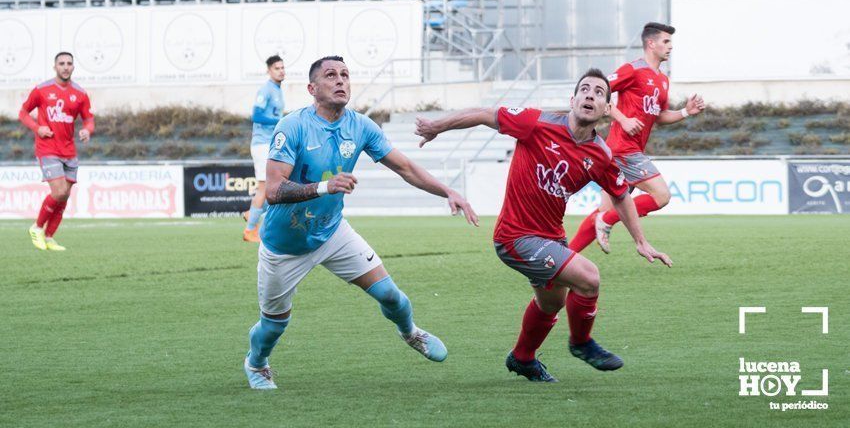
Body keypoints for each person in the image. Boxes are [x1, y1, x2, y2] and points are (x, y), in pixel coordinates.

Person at [414, 68, 671, 382]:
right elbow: (485, 113)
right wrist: (436, 127)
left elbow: (620, 195)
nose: (590, 94)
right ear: (572, 99)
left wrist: (641, 241)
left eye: (599, 92)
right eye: (585, 89)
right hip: (515, 236)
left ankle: (522, 358)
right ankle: (581, 343)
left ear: (606, 110)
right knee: (589, 278)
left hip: (551, 237)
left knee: (551, 303)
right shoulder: (536, 123)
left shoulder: (600, 154)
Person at [243, 56, 479, 390]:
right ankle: (256, 363)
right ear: (312, 89)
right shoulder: (293, 126)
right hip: (285, 245)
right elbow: (275, 190)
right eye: (330, 76)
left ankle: (411, 333)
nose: (340, 81)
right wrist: (325, 186)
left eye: (345, 75)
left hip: (331, 232)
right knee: (273, 325)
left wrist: (448, 192)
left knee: (392, 296)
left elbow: (406, 168)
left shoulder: (361, 126)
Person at [568, 23, 706, 254]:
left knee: (600, 214)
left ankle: (559, 268)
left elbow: (659, 115)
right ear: (651, 43)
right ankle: (610, 221)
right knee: (661, 195)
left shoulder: (662, 80)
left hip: (625, 151)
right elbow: (598, 92)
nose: (670, 47)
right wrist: (622, 119)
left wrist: (685, 112)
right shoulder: (632, 70)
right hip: (624, 150)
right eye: (666, 41)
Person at [19, 52, 94, 251]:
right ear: (55, 67)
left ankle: (49, 236)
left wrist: (87, 130)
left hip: (69, 150)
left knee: (65, 196)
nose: (65, 67)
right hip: (47, 148)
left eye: (69, 63)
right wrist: (38, 128)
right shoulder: (42, 90)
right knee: (59, 191)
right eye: (61, 63)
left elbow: (88, 118)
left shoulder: (80, 94)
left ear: (73, 67)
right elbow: (23, 112)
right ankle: (36, 227)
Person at [242, 55, 286, 243]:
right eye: (277, 68)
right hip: (261, 144)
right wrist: (281, 121)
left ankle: (251, 213)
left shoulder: (278, 90)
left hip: (271, 144)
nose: (281, 71)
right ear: (269, 70)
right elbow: (257, 115)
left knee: (278, 186)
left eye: (283, 67)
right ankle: (250, 230)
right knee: (264, 188)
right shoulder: (266, 90)